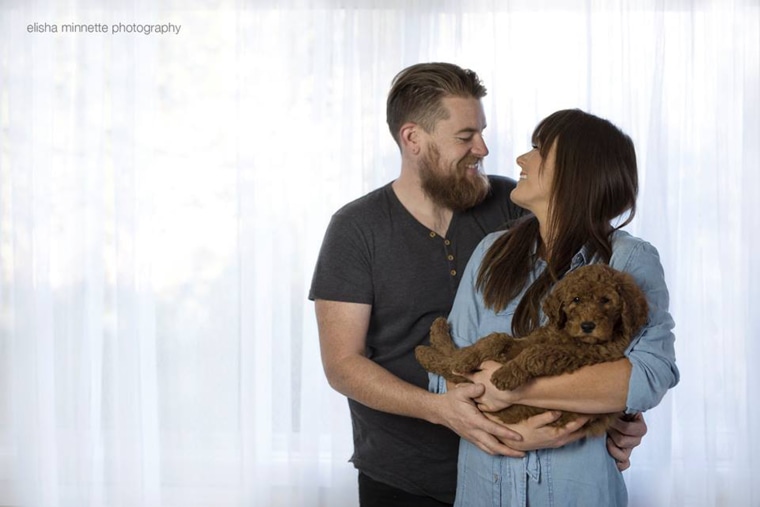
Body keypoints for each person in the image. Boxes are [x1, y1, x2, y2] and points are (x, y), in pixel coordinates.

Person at [309, 63, 647, 506]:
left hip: (525, 470)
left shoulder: (517, 211)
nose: (483, 148)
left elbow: (592, 322)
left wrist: (618, 415)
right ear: (413, 139)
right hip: (404, 475)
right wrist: (443, 411)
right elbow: (342, 365)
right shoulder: (357, 228)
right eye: (465, 137)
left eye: (482, 132)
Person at [431, 108, 679, 506]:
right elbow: (447, 374)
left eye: (538, 149)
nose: (521, 160)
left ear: (578, 171)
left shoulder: (630, 261)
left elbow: (647, 376)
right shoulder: (490, 253)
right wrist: (506, 430)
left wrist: (512, 388)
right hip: (485, 490)